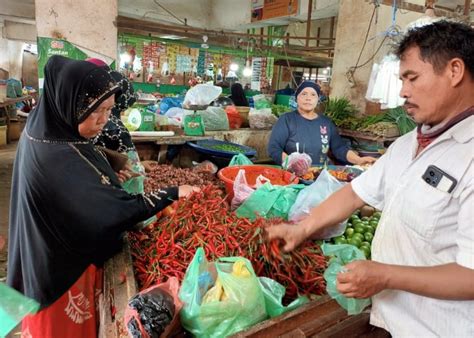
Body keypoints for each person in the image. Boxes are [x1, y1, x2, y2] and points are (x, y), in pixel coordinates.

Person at [267, 20, 474, 336]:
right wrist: (302, 228)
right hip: (387, 317)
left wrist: (386, 276)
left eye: (412, 78)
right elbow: (354, 194)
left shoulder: (468, 155)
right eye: (401, 80)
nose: (403, 91)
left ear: (454, 71)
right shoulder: (407, 146)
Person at [7, 55, 197, 337]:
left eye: (109, 110)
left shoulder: (46, 124)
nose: (105, 119)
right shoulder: (56, 156)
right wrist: (172, 193)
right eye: (97, 111)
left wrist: (111, 165)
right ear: (73, 104)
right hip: (57, 271)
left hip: (39, 249)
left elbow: (80, 150)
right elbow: (111, 212)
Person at [267, 81, 376, 166]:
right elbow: (274, 148)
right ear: (297, 98)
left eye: (313, 95)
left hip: (318, 175)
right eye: (304, 94)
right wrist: (292, 164)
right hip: (293, 175)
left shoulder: (326, 123)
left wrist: (358, 160)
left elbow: (339, 148)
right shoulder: (287, 120)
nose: (308, 98)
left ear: (317, 100)